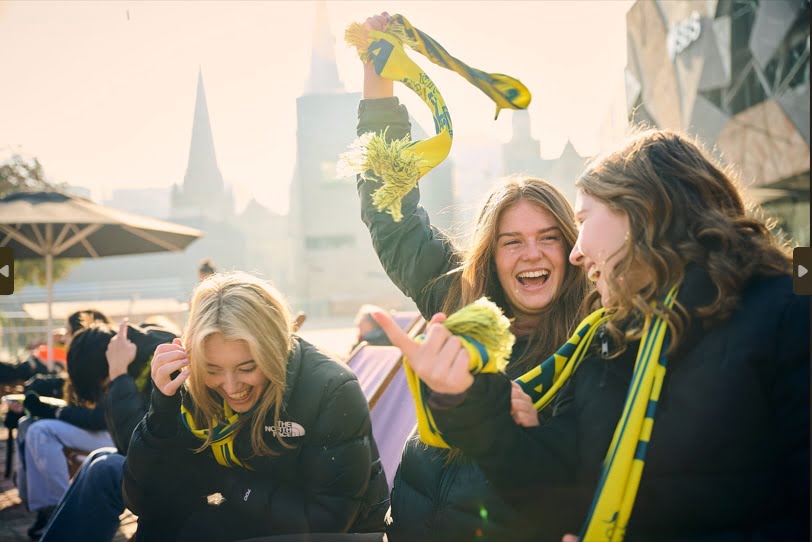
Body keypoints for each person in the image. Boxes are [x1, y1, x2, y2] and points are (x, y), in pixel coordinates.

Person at [375, 129, 810, 541]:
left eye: (578, 222)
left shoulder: (789, 313)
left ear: (641, 213)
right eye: (512, 242)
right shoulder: (614, 341)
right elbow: (567, 493)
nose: (577, 251)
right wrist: (474, 402)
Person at [351, 13, 590, 542]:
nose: (533, 253)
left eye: (549, 236)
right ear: (491, 251)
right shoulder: (456, 294)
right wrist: (379, 88)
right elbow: (390, 214)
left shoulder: (594, 340)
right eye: (512, 241)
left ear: (571, 245)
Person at [122, 271, 389, 541]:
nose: (230, 385)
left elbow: (325, 522)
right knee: (158, 529)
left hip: (337, 534)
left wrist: (225, 481)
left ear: (274, 351)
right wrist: (161, 410)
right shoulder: (197, 383)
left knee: (201, 529)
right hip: (253, 516)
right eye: (213, 369)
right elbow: (144, 503)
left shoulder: (330, 388)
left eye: (247, 367)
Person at [37, 319, 177, 542]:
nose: (105, 393)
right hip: (164, 465)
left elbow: (137, 448)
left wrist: (118, 375)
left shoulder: (160, 357)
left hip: (181, 473)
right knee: (100, 457)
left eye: (104, 386)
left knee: (106, 468)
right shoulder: (141, 355)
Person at [13, 309, 115, 539]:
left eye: (69, 333)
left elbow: (99, 418)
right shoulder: (89, 360)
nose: (65, 338)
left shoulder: (106, 361)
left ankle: (60, 509)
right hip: (98, 432)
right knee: (28, 424)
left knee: (40, 430)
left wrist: (53, 411)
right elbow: (69, 393)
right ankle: (43, 507)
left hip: (111, 436)